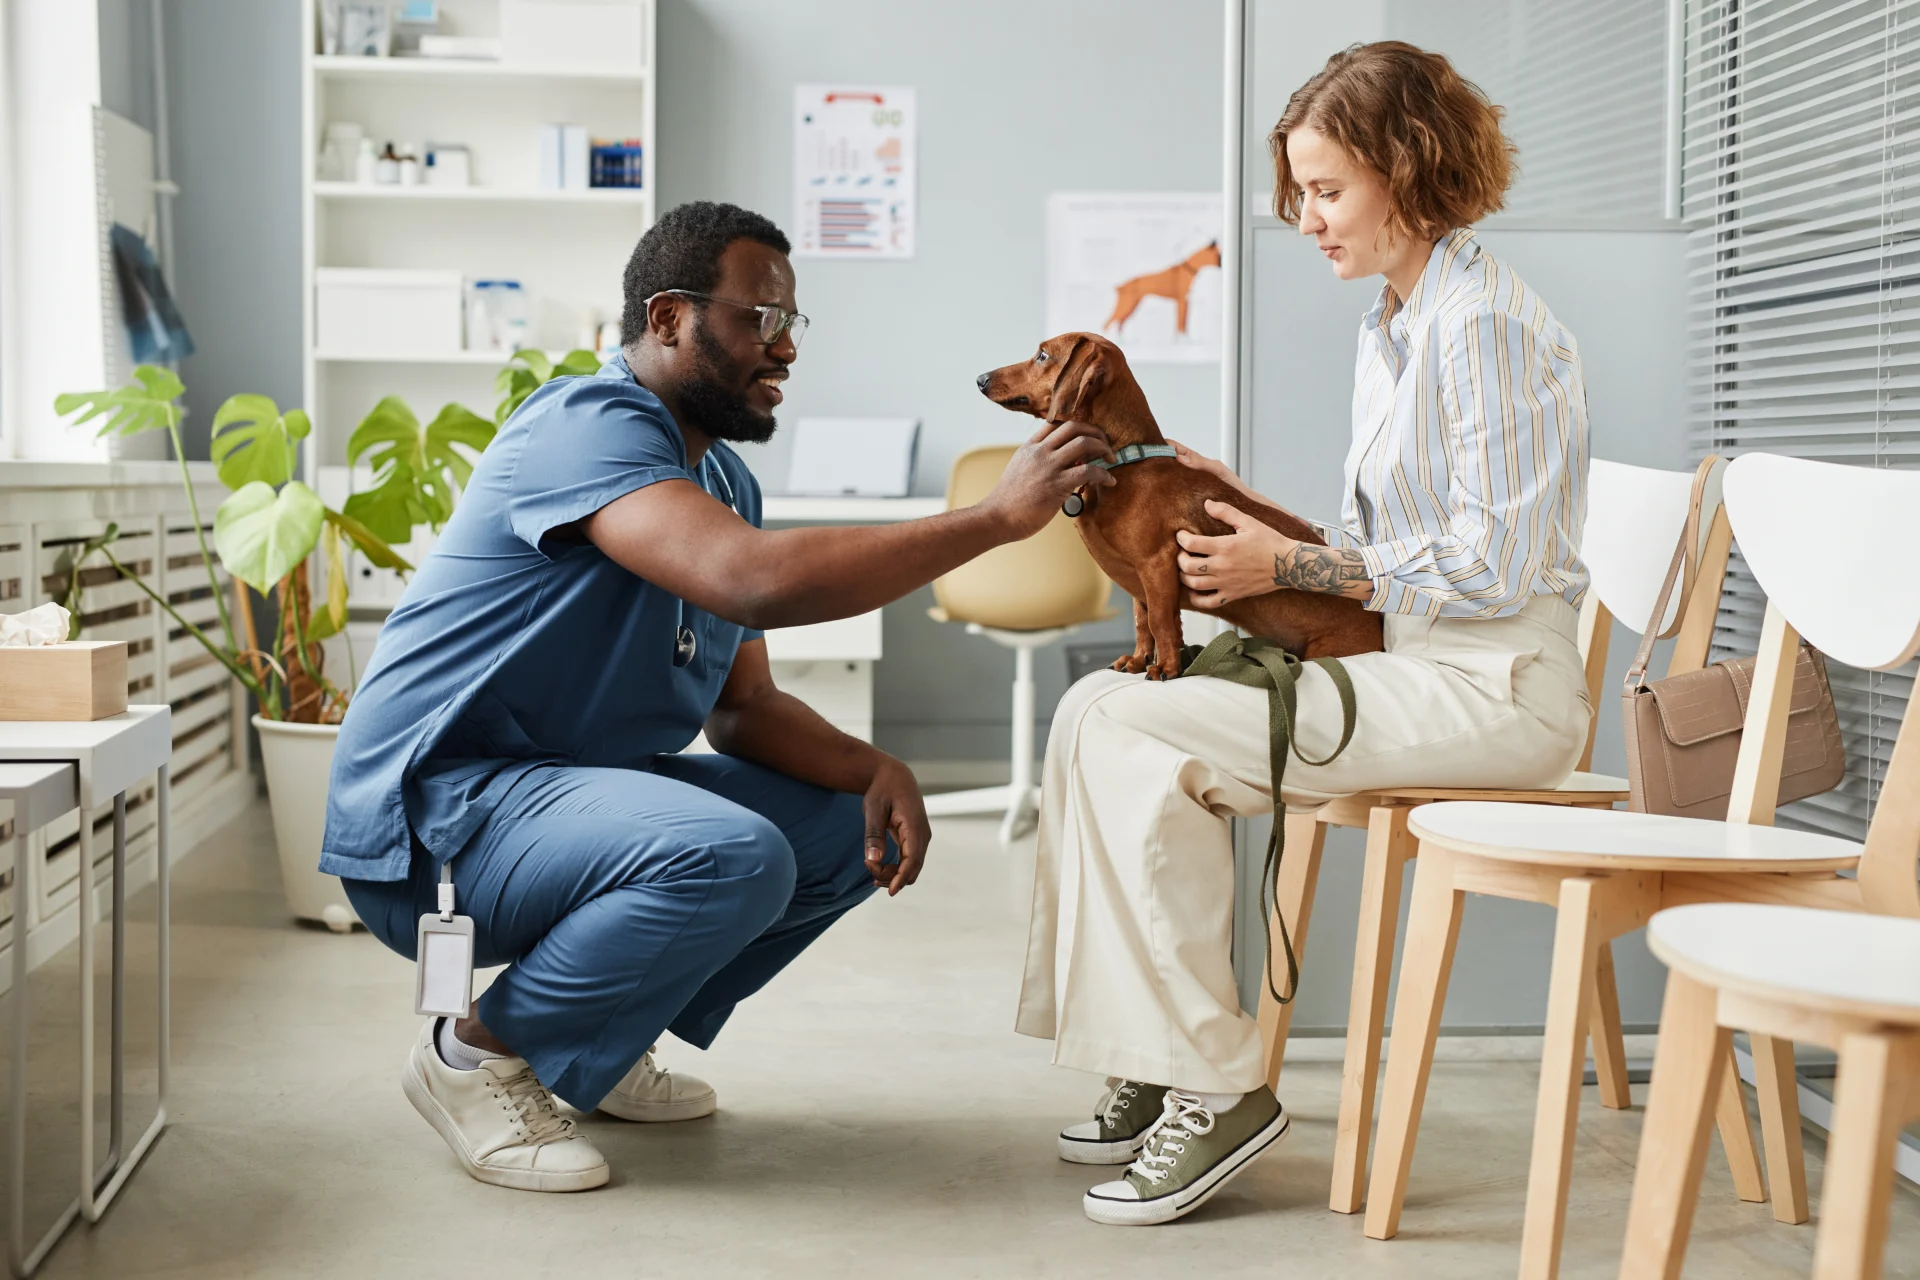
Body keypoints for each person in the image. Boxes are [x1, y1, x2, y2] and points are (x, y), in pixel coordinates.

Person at [323, 201, 1116, 1192]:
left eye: (793, 323)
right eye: (758, 318)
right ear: (667, 318)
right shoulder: (587, 426)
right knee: (726, 851)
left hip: (562, 807)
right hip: (442, 821)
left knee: (836, 824)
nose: (783, 346)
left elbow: (740, 709)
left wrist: (875, 767)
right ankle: (471, 1056)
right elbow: (748, 579)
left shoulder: (726, 480)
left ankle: (592, 1048)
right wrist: (995, 517)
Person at [1018, 42, 1594, 1226]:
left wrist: (1290, 562)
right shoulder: (1398, 324)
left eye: (1327, 190)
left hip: (1498, 687)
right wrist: (1269, 518)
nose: (1307, 218)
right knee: (1092, 704)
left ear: (1409, 169)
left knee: (1134, 731)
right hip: (1419, 657)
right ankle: (1157, 1045)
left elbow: (1498, 566)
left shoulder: (1481, 326)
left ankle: (1217, 1084)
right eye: (1299, 193)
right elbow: (1419, 548)